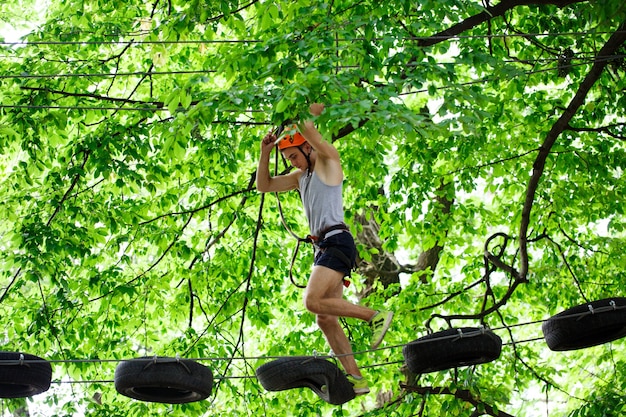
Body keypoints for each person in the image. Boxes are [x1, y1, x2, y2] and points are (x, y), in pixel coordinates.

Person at [256, 103, 393, 395]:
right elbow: (264, 185)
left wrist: (302, 105)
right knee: (325, 318)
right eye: (288, 158)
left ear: (307, 148)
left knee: (312, 301)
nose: (292, 162)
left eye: (293, 155)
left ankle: (373, 315)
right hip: (324, 248)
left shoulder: (329, 162)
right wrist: (265, 153)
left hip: (336, 241)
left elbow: (308, 128)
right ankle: (356, 379)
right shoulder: (300, 178)